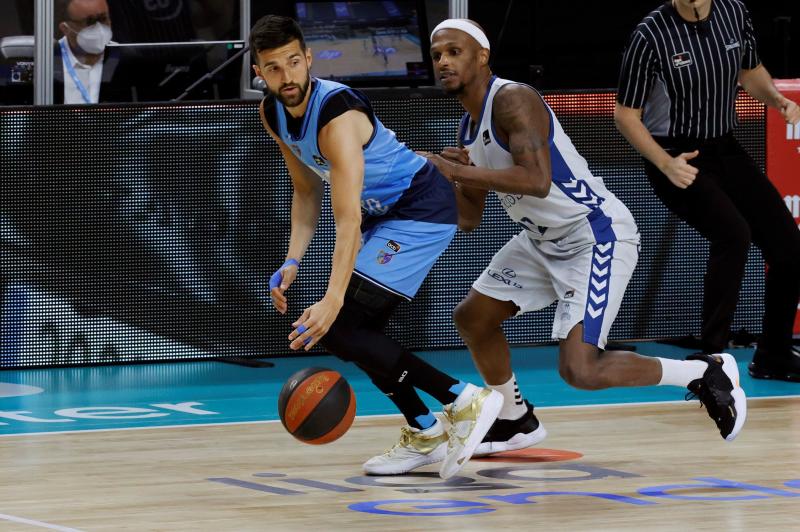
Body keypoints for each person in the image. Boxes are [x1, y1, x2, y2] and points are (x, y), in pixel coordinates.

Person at [425, 18, 747, 446]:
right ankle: (513, 418)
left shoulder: (513, 99)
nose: (443, 62)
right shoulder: (468, 128)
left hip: (593, 235)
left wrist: (452, 168)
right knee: (473, 317)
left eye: (454, 52)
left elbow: (537, 180)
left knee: (580, 369)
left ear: (482, 57)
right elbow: (469, 220)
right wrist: (457, 179)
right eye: (436, 56)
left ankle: (702, 371)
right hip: (540, 241)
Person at [250, 15, 502, 479]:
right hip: (385, 216)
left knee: (339, 325)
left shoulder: (336, 117)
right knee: (356, 338)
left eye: (293, 63)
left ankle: (465, 400)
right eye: (273, 68)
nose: (287, 77)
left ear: (308, 60)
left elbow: (346, 221)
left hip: (420, 207)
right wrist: (292, 259)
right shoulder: (273, 114)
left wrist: (331, 298)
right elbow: (306, 190)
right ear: (259, 73)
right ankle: (425, 430)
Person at [614, 0, 800, 382]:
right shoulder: (650, 34)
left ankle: (774, 355)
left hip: (724, 147)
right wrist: (665, 163)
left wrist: (777, 99)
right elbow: (625, 114)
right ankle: (712, 360)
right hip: (674, 154)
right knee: (733, 234)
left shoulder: (736, 13)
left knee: (789, 248)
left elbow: (749, 72)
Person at [54, 0, 124, 104]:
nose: (99, 28)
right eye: (90, 22)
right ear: (65, 28)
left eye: (103, 19)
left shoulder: (126, 59)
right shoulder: (47, 62)